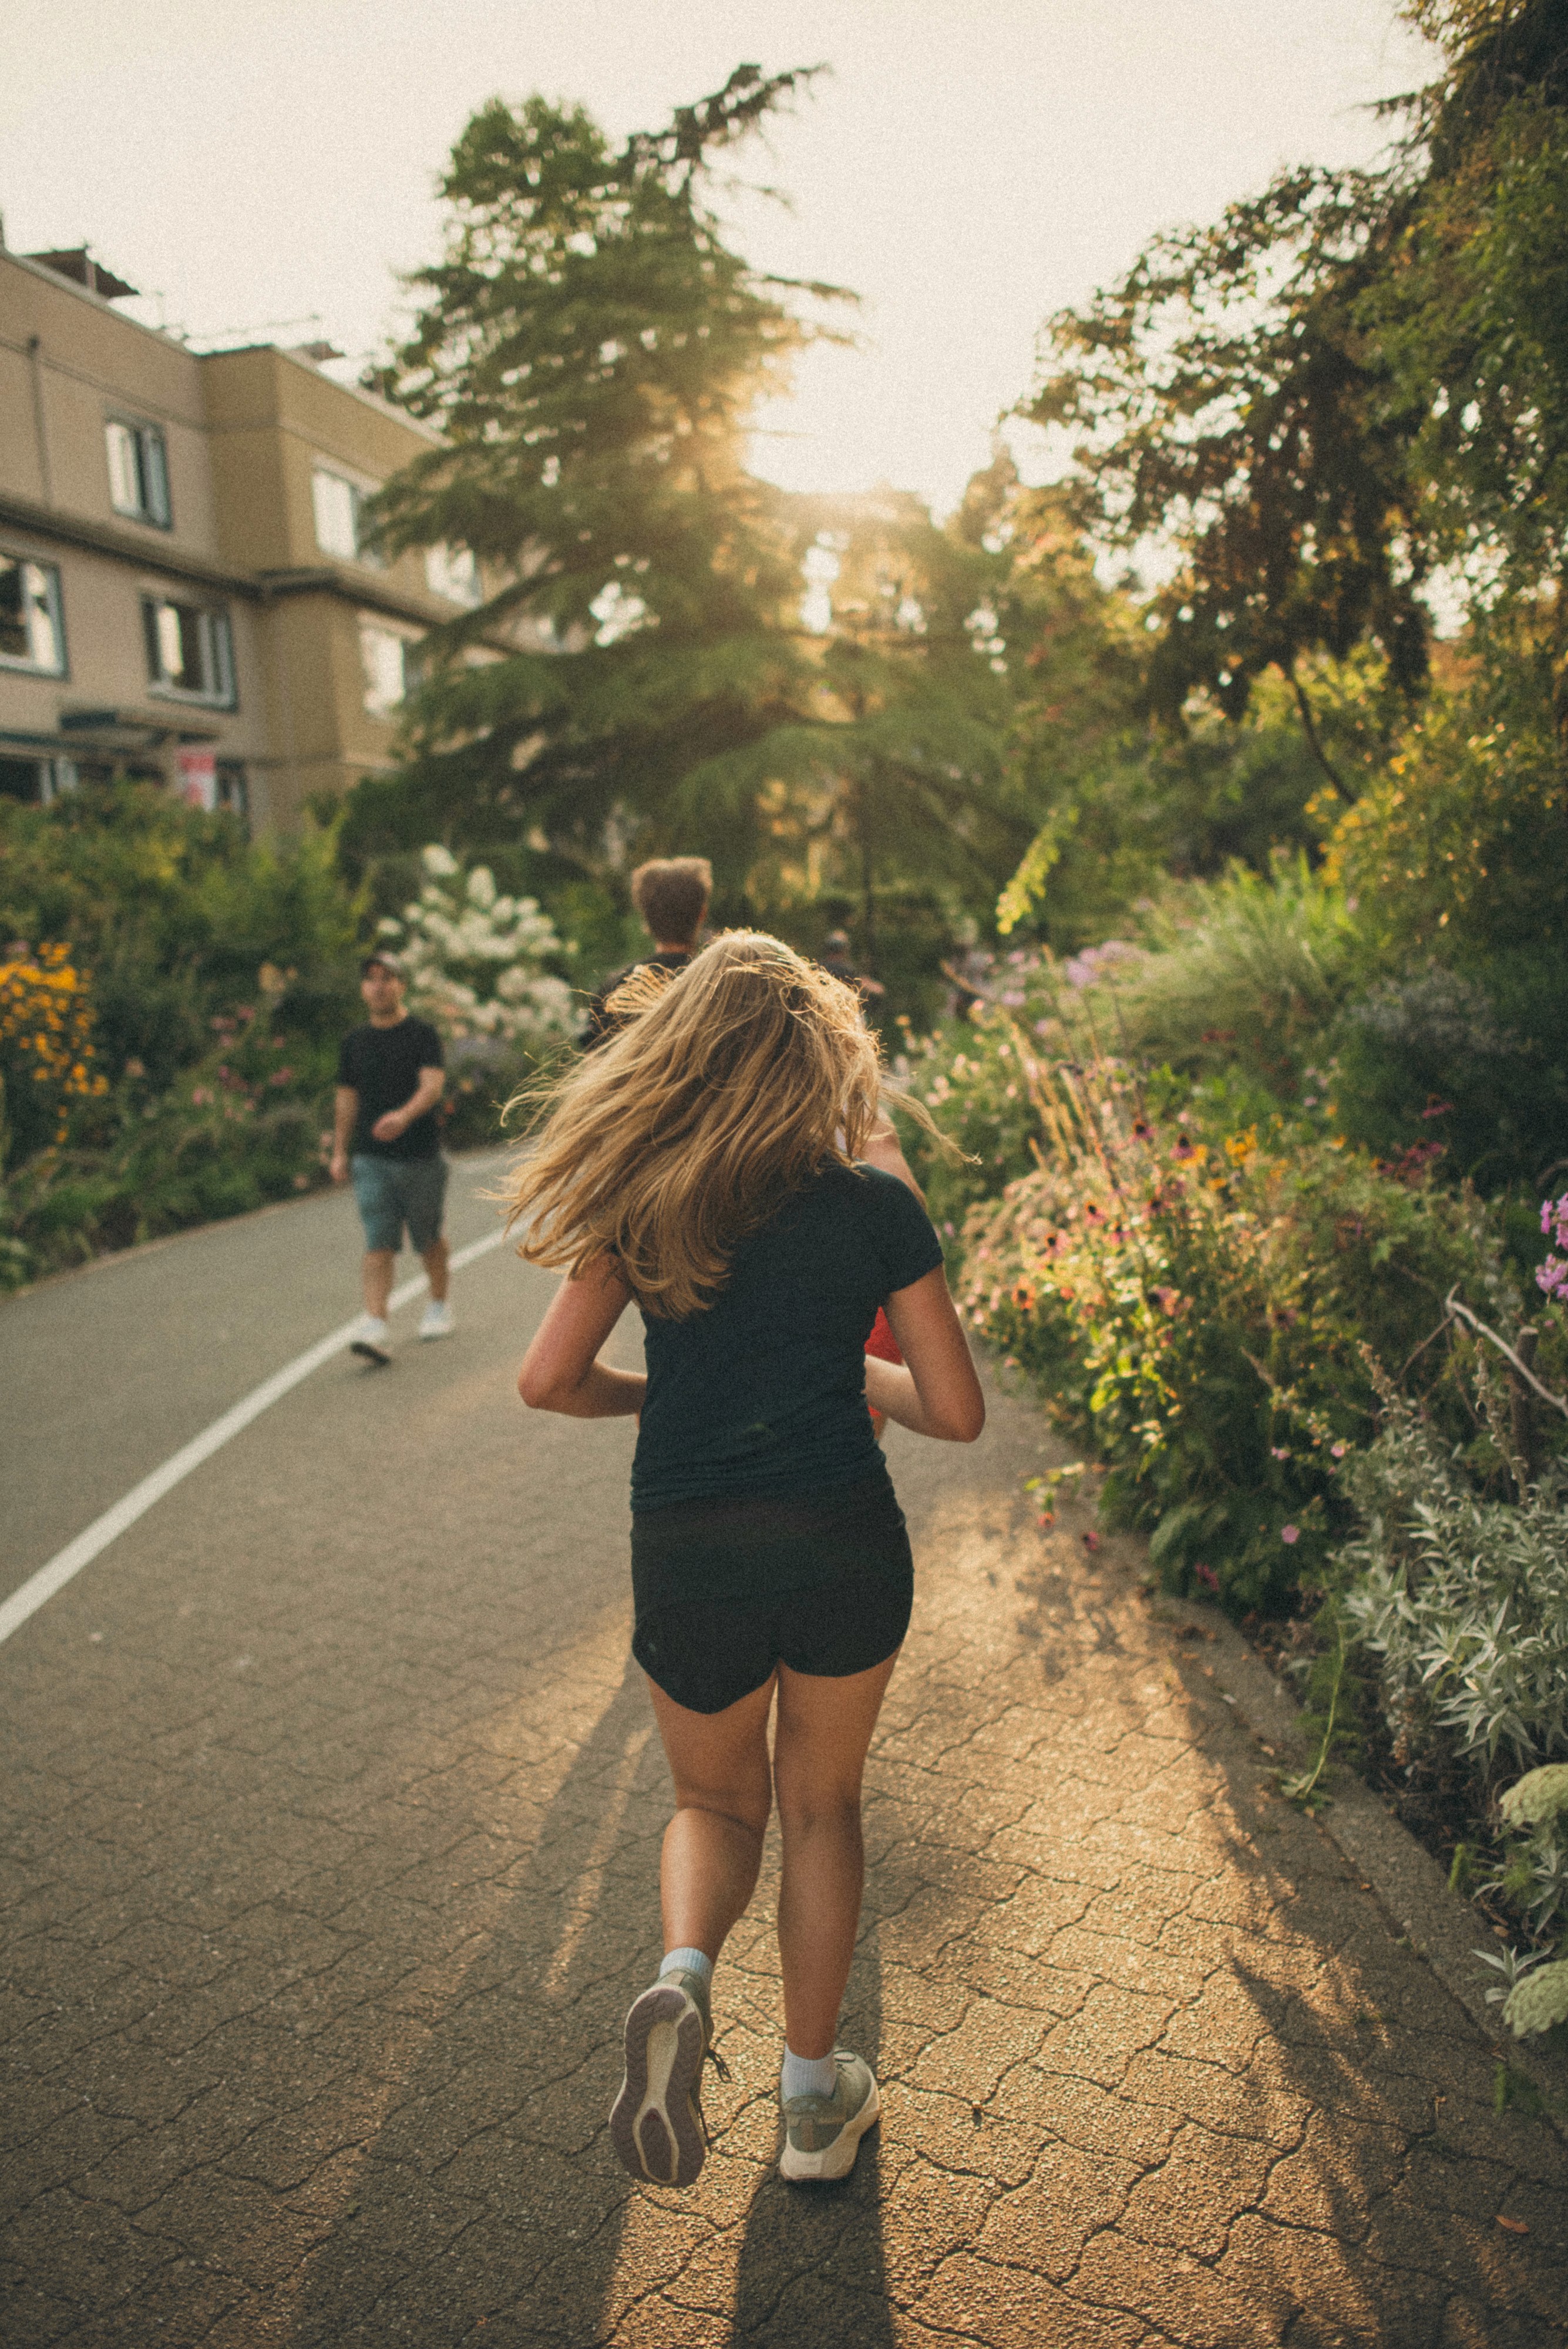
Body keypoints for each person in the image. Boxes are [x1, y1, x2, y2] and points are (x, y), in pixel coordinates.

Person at [510, 934, 984, 2189]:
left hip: (690, 1545)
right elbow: (956, 1410)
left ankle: (681, 1976)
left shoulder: (642, 1197)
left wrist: (662, 1399)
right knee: (823, 1807)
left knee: (714, 1805)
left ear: (688, 1052)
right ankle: (814, 2104)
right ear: (820, 1057)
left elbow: (546, 1380)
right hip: (842, 1539)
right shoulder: (878, 1208)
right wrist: (842, 1367)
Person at [331, 950, 452, 1364]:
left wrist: (403, 1116)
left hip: (420, 1156)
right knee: (378, 1240)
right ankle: (376, 1322)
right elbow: (347, 1098)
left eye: (387, 978)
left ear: (401, 985)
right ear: (364, 988)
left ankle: (438, 1304)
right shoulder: (354, 1042)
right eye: (371, 979)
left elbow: (432, 1086)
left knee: (427, 1237)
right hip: (371, 1158)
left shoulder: (422, 1034)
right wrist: (339, 1152)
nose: (379, 985)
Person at [581, 856, 712, 1049]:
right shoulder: (718, 983)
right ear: (702, 914)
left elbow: (593, 1063)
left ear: (646, 918)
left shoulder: (616, 988)